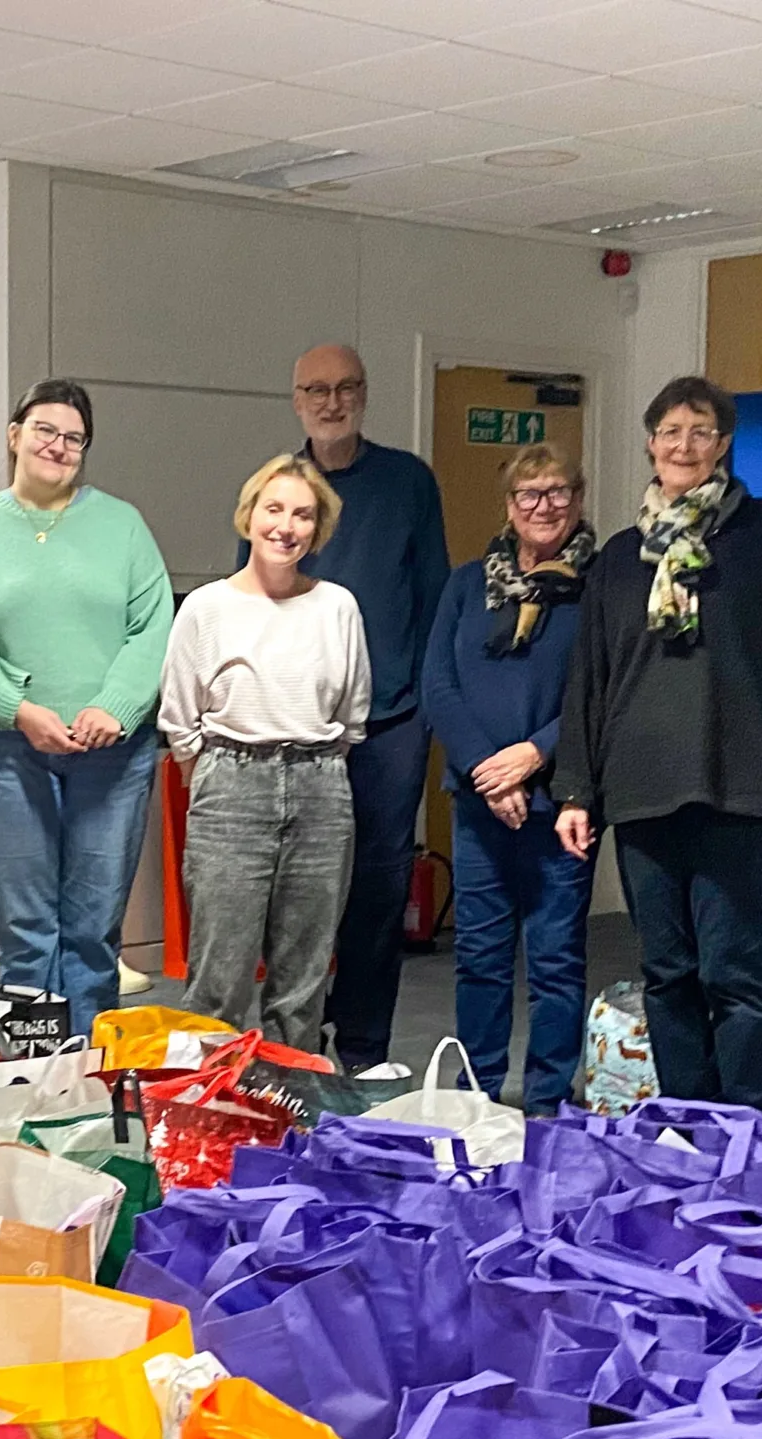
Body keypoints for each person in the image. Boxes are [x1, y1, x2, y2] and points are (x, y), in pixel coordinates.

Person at [553, 375, 762, 1117]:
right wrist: (577, 790)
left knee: (735, 975)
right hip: (642, 788)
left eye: (701, 432)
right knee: (667, 973)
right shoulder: (618, 558)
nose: (684, 445)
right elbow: (590, 678)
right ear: (650, 443)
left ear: (724, 445)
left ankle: (744, 1125)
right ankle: (685, 1122)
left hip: (740, 786)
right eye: (671, 431)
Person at [0, 379, 172, 1037]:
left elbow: (153, 626)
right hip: (9, 752)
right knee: (26, 928)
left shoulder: (121, 525)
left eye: (73, 438)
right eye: (45, 431)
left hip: (111, 757)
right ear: (15, 436)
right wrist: (19, 709)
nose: (58, 447)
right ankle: (27, 1080)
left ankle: (90, 1083)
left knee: (93, 931)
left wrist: (116, 705)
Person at [248, 342, 449, 1070]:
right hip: (295, 731)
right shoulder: (280, 489)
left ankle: (363, 1050)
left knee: (375, 894)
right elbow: (248, 596)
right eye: (316, 390)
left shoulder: (407, 483)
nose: (332, 402)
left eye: (346, 388)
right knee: (295, 892)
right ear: (296, 399)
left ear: (365, 394)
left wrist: (424, 711)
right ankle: (290, 1045)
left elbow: (434, 602)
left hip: (390, 723)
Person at [163, 455, 371, 1051]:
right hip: (230, 786)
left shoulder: (338, 607)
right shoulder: (207, 608)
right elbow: (180, 722)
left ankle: (289, 1122)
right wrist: (229, 777)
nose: (286, 525)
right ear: (249, 516)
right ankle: (206, 1121)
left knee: (302, 982)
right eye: (273, 508)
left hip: (322, 790)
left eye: (302, 514)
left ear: (318, 528)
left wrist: (308, 772)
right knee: (218, 978)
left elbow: (353, 716)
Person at [420, 443, 597, 1115]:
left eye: (557, 492)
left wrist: (534, 755)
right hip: (477, 803)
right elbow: (439, 683)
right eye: (529, 494)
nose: (543, 506)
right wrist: (490, 774)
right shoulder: (468, 584)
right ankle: (478, 1096)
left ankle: (549, 1098)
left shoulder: (598, 586)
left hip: (562, 804)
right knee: (481, 960)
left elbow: (599, 691)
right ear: (508, 506)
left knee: (556, 961)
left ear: (578, 500)